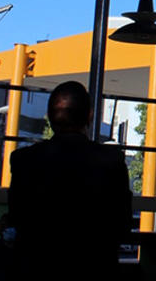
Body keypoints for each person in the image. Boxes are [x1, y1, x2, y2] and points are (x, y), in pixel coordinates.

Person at [8, 81, 132, 281]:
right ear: (90, 116)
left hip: (35, 269)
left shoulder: (24, 160)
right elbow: (122, 224)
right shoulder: (111, 161)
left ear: (49, 117)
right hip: (95, 268)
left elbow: (16, 216)